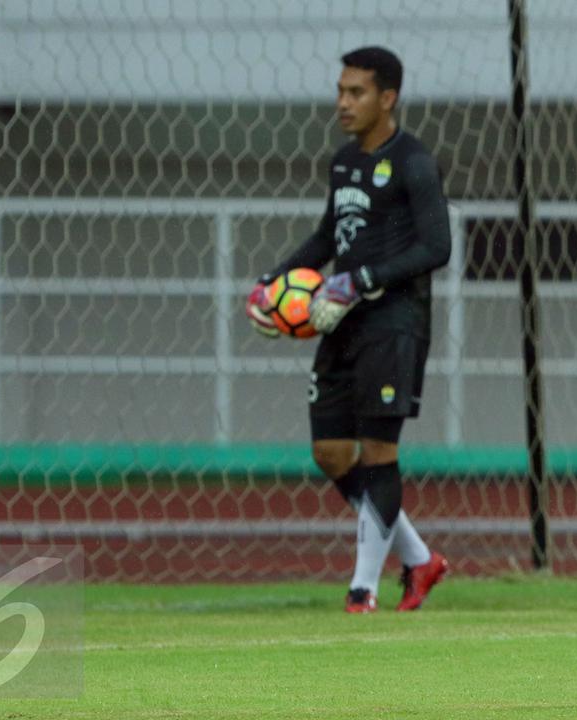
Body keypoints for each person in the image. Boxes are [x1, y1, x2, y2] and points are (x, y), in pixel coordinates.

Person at [246, 46, 451, 614]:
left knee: (379, 452)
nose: (343, 102)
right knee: (332, 452)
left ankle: (363, 590)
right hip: (340, 322)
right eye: (340, 90)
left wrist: (359, 279)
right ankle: (420, 560)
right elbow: (326, 238)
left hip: (395, 323)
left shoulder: (414, 162)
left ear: (388, 98)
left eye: (356, 92)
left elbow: (438, 247)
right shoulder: (344, 162)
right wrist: (273, 280)